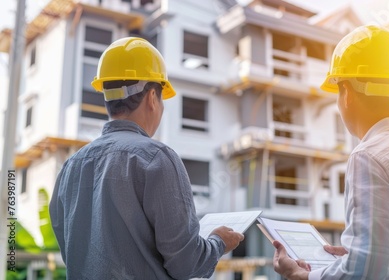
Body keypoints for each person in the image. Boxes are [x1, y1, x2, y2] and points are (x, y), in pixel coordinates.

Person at [272, 25, 389, 279]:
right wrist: (356, 255)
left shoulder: (368, 157)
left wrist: (302, 276)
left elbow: (366, 270)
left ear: (346, 93)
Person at [49, 37, 244, 279]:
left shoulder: (71, 166)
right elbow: (186, 263)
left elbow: (72, 251)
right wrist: (218, 242)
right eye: (162, 99)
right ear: (152, 97)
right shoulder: (156, 158)